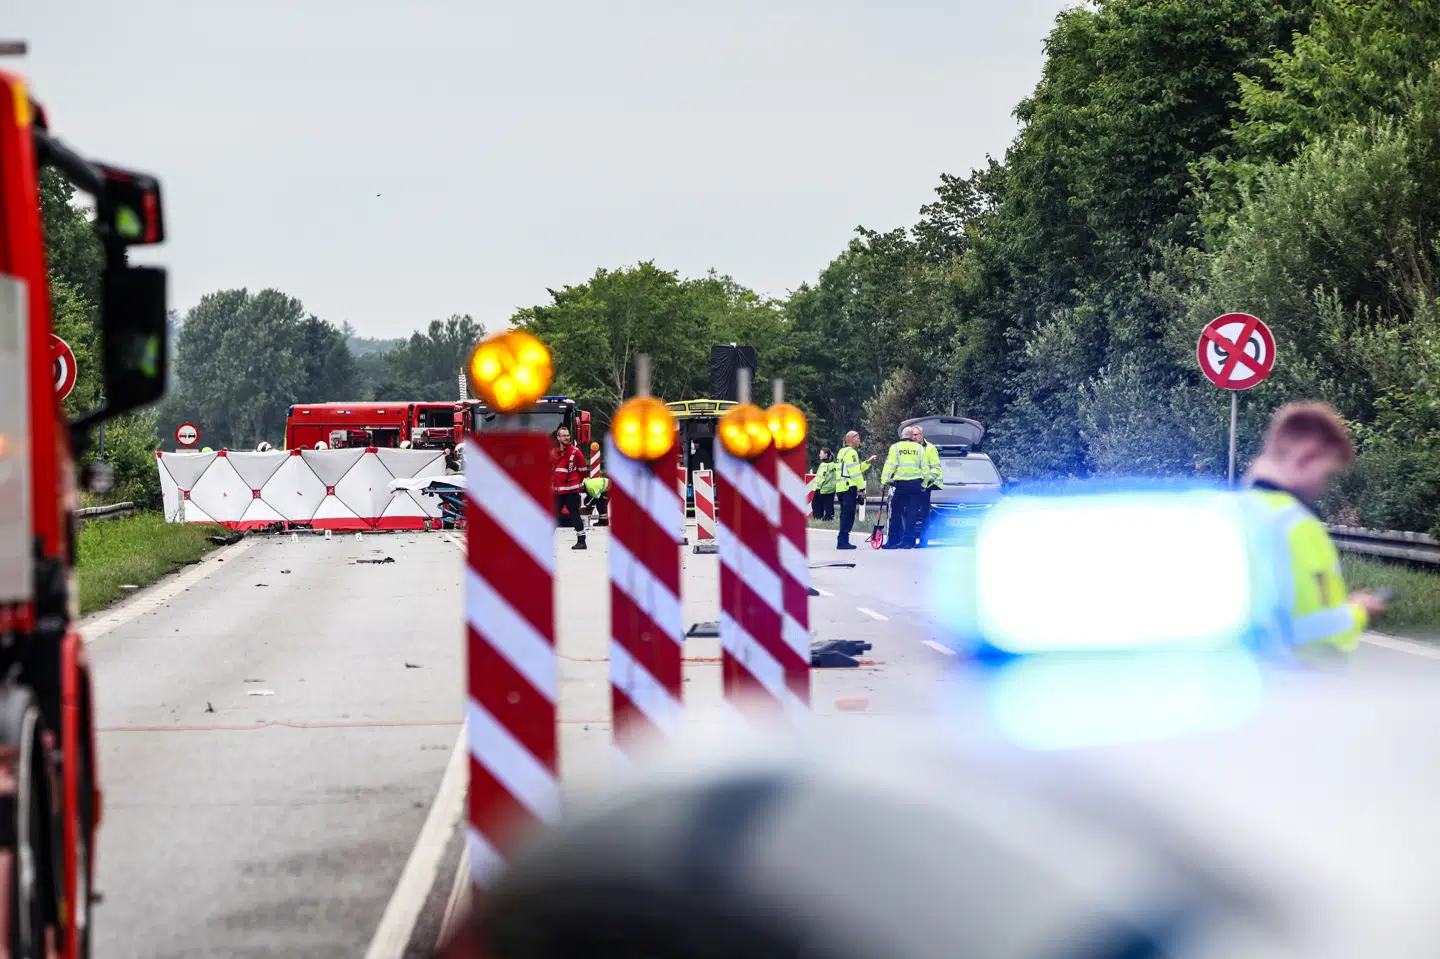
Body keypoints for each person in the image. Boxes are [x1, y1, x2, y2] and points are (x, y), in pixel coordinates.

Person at [1242, 402, 1388, 658]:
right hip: (1291, 678)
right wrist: (1357, 610)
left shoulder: (1221, 514)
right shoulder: (1295, 526)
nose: (1322, 488)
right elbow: (1321, 634)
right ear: (1307, 456)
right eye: (1326, 473)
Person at [880, 427, 925, 549]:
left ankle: (893, 541)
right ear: (912, 436)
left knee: (896, 513)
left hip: (901, 486)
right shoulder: (919, 448)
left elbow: (889, 466)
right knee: (912, 514)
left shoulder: (895, 447)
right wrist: (924, 485)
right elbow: (925, 468)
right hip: (915, 485)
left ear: (902, 435)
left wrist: (883, 481)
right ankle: (908, 542)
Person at [834, 432, 877, 550]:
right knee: (848, 516)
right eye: (857, 437)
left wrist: (868, 462)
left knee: (844, 515)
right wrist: (862, 488)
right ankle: (843, 541)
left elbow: (854, 469)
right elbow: (855, 473)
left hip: (841, 488)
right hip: (848, 488)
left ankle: (842, 540)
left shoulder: (842, 452)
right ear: (851, 439)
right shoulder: (852, 452)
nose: (859, 439)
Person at [552, 426, 588, 550]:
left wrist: (575, 483)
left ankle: (582, 542)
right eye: (564, 436)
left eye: (567, 435)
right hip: (559, 491)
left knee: (575, 515)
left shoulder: (576, 452)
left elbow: (583, 471)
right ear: (558, 438)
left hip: (572, 491)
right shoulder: (554, 453)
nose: (566, 438)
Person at [914, 425, 943, 548]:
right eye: (913, 435)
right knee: (912, 513)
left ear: (922, 435)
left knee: (924, 515)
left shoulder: (930, 449)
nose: (914, 437)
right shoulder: (911, 448)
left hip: (925, 487)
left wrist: (925, 484)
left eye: (917, 434)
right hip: (913, 486)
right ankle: (909, 539)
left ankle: (923, 540)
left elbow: (935, 469)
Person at [810, 449, 838, 522]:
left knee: (816, 505)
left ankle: (818, 519)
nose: (819, 455)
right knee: (829, 506)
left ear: (826, 455)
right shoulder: (833, 465)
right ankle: (829, 519)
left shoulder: (824, 465)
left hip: (822, 489)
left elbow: (821, 478)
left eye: (821, 453)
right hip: (831, 489)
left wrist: (817, 488)